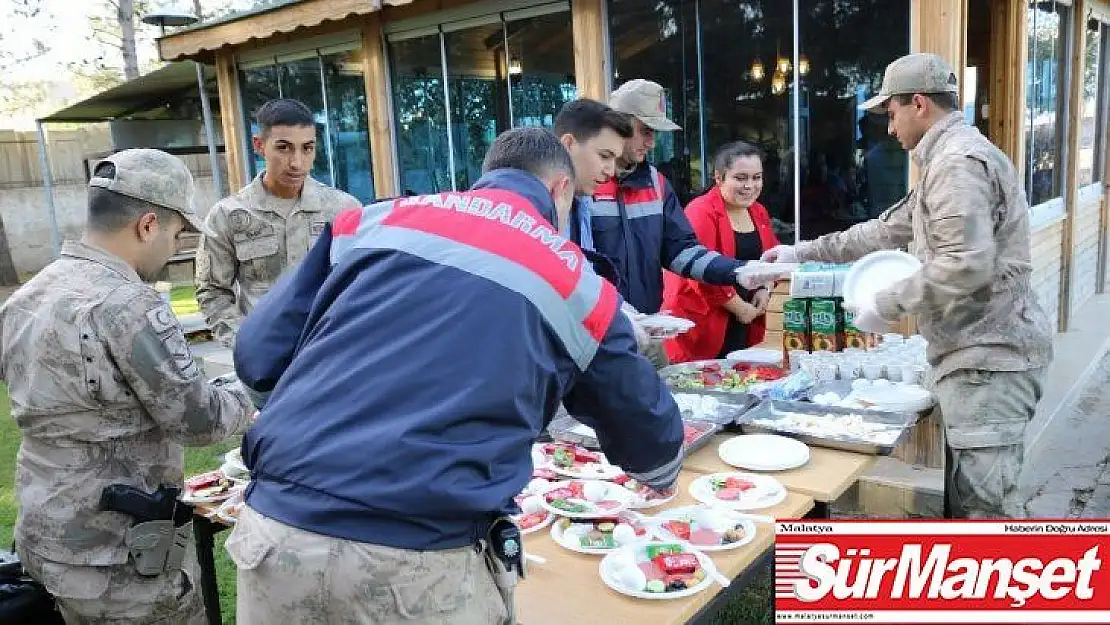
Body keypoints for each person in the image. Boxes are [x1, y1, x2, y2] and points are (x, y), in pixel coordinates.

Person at [226, 128, 686, 624]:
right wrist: (661, 470)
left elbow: (257, 355)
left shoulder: (371, 221)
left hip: (276, 533)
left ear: (485, 178)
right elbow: (650, 439)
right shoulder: (577, 281)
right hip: (418, 562)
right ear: (559, 190)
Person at [762, 53, 1054, 518]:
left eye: (891, 112)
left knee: (989, 511)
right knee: (967, 501)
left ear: (918, 104)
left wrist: (885, 303)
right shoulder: (946, 159)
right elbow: (884, 230)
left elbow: (965, 265)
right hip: (973, 354)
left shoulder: (957, 164)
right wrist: (799, 253)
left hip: (990, 356)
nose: (889, 127)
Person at [0, 149, 255, 623]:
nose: (175, 248)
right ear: (148, 225)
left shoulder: (28, 297)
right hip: (119, 555)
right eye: (179, 234)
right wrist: (254, 391)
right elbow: (200, 421)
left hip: (45, 536)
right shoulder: (129, 305)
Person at [592, 79, 756, 365]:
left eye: (654, 132)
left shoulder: (657, 184)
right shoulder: (584, 186)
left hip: (649, 334)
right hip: (595, 335)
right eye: (645, 131)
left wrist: (740, 271)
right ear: (619, 125)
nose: (651, 142)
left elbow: (681, 251)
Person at [195, 98, 361, 348]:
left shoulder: (343, 210)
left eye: (307, 148)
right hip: (264, 363)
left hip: (330, 351)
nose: (296, 162)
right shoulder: (227, 215)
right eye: (284, 148)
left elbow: (361, 281)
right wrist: (246, 343)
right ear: (259, 146)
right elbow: (212, 291)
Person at [661, 141, 781, 363]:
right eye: (741, 178)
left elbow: (770, 256)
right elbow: (699, 271)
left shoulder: (758, 211)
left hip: (745, 316)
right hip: (704, 319)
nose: (750, 186)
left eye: (757, 177)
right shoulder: (700, 211)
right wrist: (738, 307)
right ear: (719, 177)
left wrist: (765, 288)